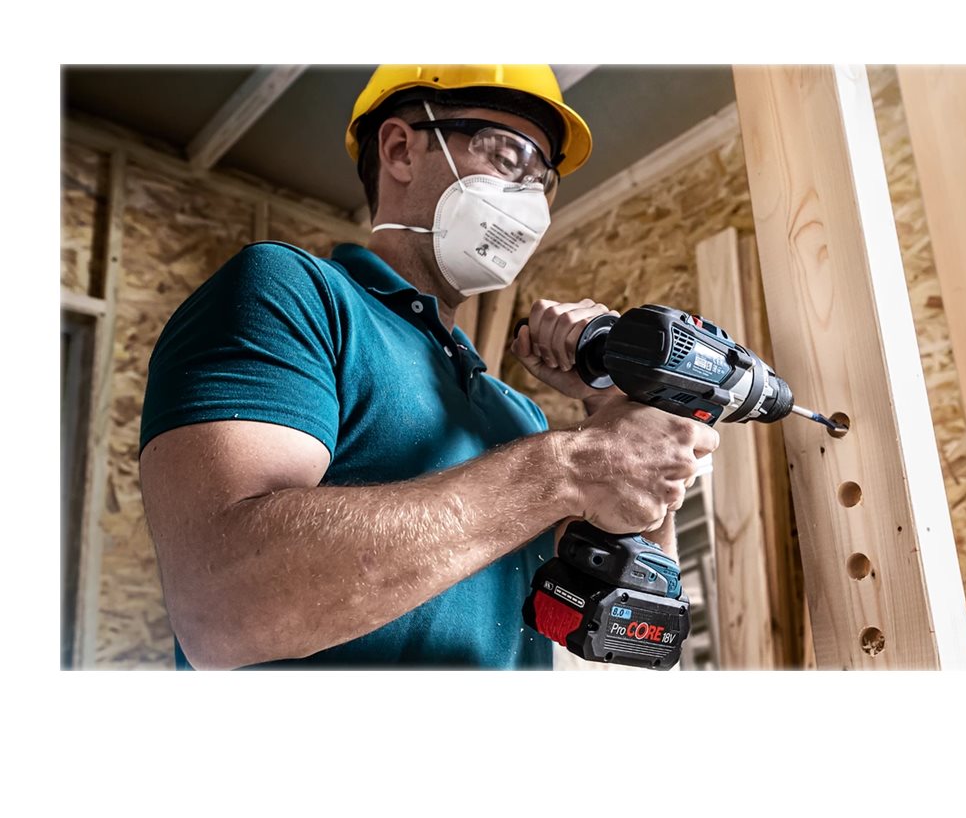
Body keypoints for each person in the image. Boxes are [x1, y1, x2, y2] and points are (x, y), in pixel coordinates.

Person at [138, 64, 719, 669]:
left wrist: (613, 414)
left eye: (542, 181)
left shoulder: (515, 413)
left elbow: (635, 634)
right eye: (509, 156)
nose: (528, 200)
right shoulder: (294, 294)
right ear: (400, 150)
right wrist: (569, 466)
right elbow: (223, 607)